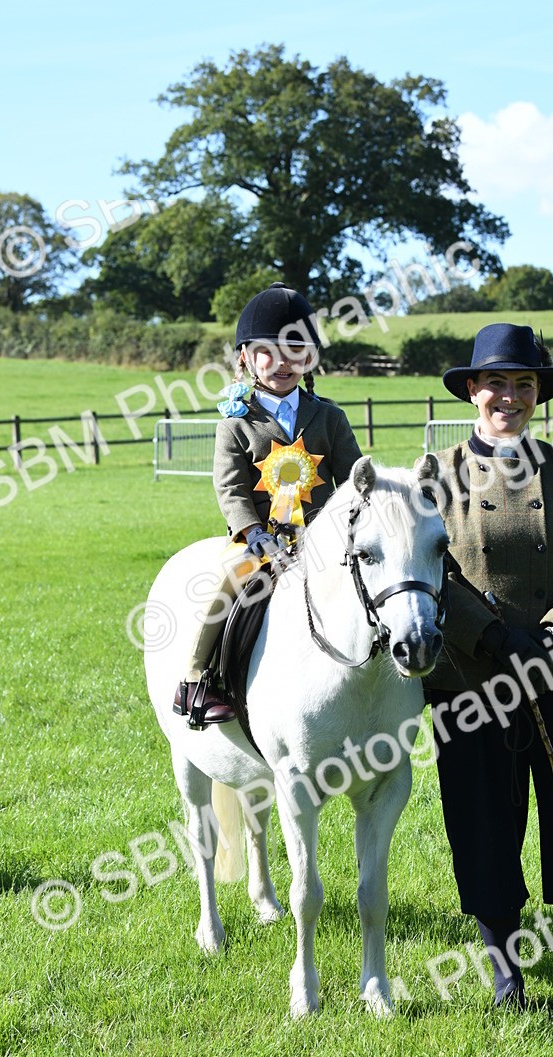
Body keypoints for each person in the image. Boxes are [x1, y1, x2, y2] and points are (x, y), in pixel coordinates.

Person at [427, 323, 553, 1025]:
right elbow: (428, 575)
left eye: (523, 384)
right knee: (482, 826)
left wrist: (548, 634)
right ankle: (507, 976)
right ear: (472, 390)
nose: (507, 397)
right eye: (495, 383)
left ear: (537, 395)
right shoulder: (434, 476)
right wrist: (490, 635)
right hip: (471, 681)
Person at [173, 282, 362, 726]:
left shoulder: (330, 417)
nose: (282, 362)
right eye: (268, 351)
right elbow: (231, 490)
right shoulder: (235, 424)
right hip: (256, 540)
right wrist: (255, 535)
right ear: (245, 357)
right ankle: (197, 680)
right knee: (229, 577)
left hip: (321, 540)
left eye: (296, 349)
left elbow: (353, 479)